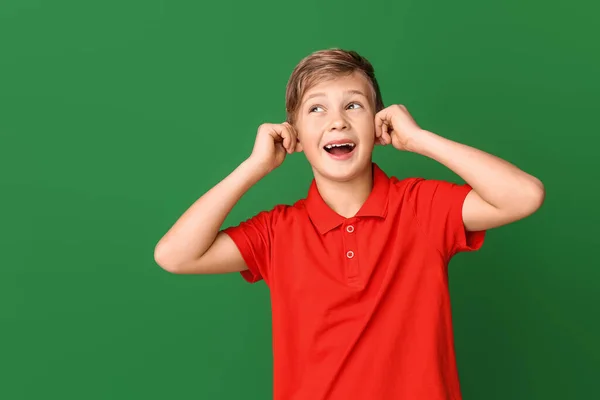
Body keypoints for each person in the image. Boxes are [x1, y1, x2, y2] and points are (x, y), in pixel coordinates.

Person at [154, 48, 545, 400]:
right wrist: (253, 167)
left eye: (354, 106)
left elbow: (524, 195)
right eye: (316, 109)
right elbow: (174, 255)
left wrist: (421, 139)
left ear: (378, 125)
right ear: (294, 134)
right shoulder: (276, 232)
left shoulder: (421, 207)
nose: (337, 122)